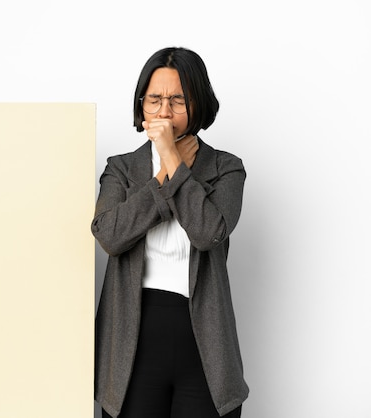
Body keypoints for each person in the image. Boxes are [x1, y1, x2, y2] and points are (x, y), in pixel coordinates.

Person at [92, 47, 249, 418]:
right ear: (141, 105)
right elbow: (109, 236)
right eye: (155, 100)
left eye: (178, 100)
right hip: (132, 342)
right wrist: (166, 172)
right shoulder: (122, 169)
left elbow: (209, 232)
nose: (164, 112)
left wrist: (175, 163)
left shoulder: (226, 169)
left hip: (205, 343)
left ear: (198, 105)